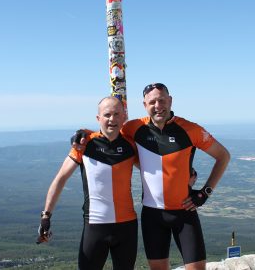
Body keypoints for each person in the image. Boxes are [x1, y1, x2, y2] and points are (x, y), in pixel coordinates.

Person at [73, 83, 230, 270]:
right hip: (152, 215)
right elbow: (109, 131)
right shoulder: (134, 127)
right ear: (145, 105)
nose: (158, 105)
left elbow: (223, 156)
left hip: (185, 212)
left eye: (162, 100)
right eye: (152, 102)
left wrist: (205, 192)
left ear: (170, 101)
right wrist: (83, 134)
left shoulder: (190, 129)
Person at [37, 96, 138, 270]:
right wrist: (46, 216)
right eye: (107, 115)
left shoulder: (131, 145)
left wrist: (189, 176)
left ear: (124, 117)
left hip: (127, 227)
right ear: (98, 118)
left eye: (116, 114)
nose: (112, 119)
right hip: (95, 226)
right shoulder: (84, 145)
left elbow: (156, 169)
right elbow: (60, 179)